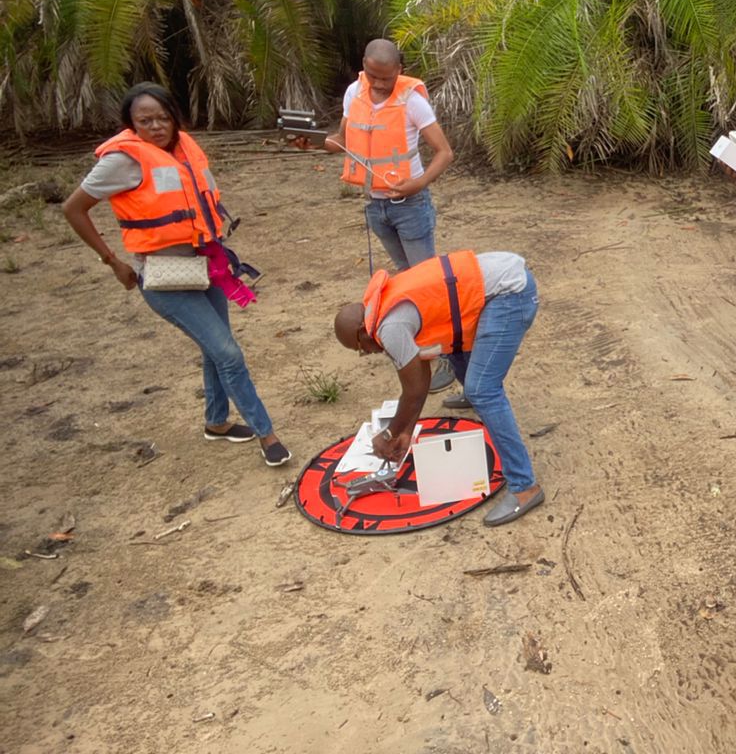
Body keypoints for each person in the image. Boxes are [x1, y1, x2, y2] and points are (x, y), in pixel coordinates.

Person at [62, 82, 291, 466]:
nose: (155, 126)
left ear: (174, 117)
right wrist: (112, 261)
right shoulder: (123, 160)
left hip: (205, 267)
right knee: (227, 353)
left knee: (214, 348)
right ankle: (267, 436)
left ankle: (216, 423)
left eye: (162, 117)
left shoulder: (186, 151)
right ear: (131, 125)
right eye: (144, 120)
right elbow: (74, 208)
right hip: (163, 278)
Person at [296, 38, 458, 395]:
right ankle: (424, 347)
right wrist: (310, 141)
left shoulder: (411, 100)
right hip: (375, 206)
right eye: (373, 77)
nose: (379, 85)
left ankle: (448, 355)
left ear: (399, 70)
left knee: (427, 282)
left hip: (410, 207)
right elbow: (341, 141)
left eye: (386, 78)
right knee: (408, 281)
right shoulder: (354, 93)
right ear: (364, 67)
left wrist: (417, 184)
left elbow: (444, 152)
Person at [333, 251, 542, 526]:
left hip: (510, 294)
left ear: (363, 331)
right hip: (494, 284)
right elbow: (420, 374)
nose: (366, 354)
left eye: (360, 348)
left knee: (484, 390)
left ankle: (524, 487)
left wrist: (389, 432)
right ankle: (473, 394)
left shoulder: (390, 327)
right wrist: (406, 431)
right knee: (452, 352)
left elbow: (416, 389)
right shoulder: (383, 305)